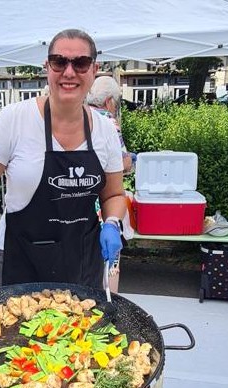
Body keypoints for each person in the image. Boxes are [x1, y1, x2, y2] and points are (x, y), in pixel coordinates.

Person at [0, 29, 127, 289]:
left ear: (94, 70)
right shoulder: (14, 119)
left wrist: (112, 223)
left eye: (81, 63)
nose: (69, 72)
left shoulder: (105, 129)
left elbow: (114, 195)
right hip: (20, 259)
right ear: (47, 67)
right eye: (59, 62)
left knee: (78, 329)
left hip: (82, 262)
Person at [87, 76, 138, 292]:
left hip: (84, 204)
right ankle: (110, 302)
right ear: (109, 101)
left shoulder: (80, 116)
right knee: (110, 259)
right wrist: (132, 160)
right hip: (104, 205)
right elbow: (121, 162)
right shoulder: (108, 121)